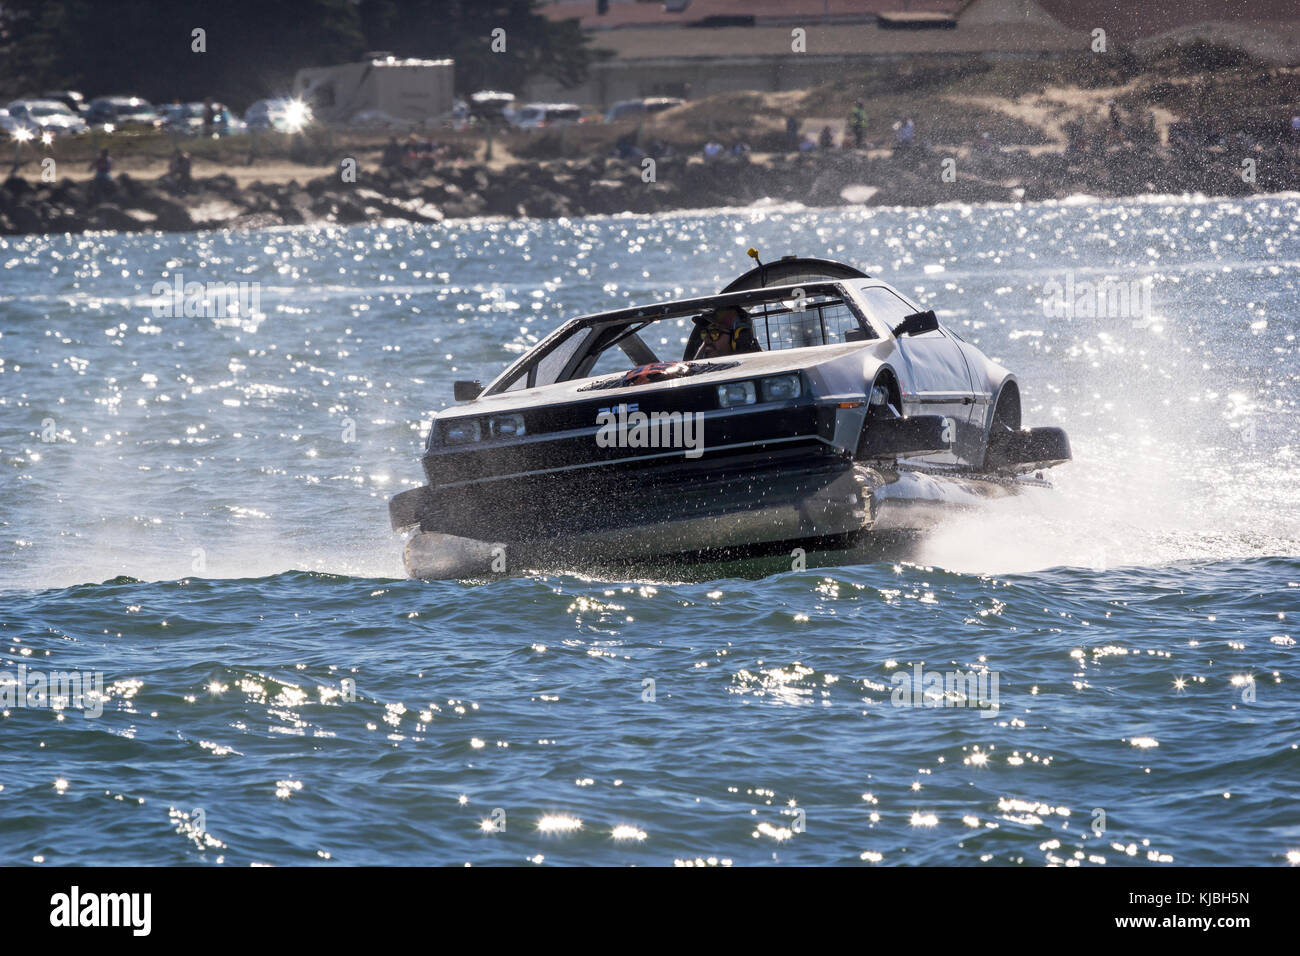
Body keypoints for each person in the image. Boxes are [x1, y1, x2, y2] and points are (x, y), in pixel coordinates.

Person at [692, 306, 761, 360]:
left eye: (715, 333)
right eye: (705, 334)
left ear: (739, 337)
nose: (706, 341)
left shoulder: (759, 372)